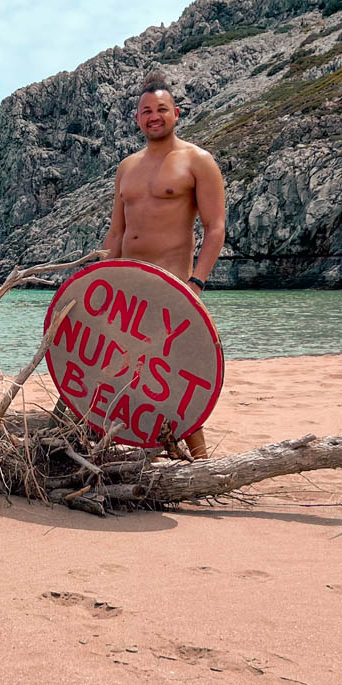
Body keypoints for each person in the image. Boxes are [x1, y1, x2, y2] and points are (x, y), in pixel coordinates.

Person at [101, 71, 227, 458]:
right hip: (128, 286)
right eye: (146, 111)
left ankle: (200, 461)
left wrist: (196, 283)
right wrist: (98, 280)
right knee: (115, 366)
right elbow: (116, 232)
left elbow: (216, 227)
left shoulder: (197, 161)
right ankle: (120, 444)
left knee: (171, 373)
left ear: (175, 113)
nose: (154, 116)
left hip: (173, 284)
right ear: (137, 119)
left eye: (161, 109)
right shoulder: (127, 167)